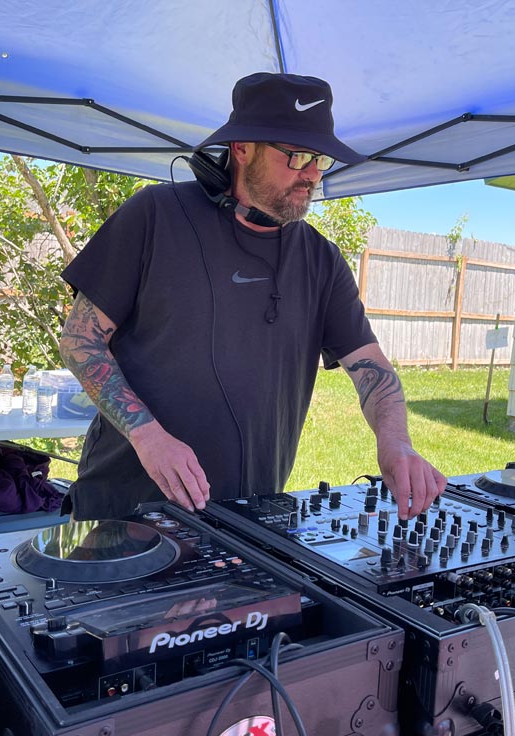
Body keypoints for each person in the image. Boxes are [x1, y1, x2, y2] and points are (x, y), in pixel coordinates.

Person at [58, 72, 446, 522]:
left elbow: (372, 369)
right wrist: (148, 436)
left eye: (320, 160)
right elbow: (79, 341)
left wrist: (395, 443)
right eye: (297, 156)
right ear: (242, 149)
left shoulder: (321, 259)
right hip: (121, 510)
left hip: (248, 520)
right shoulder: (154, 215)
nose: (311, 175)